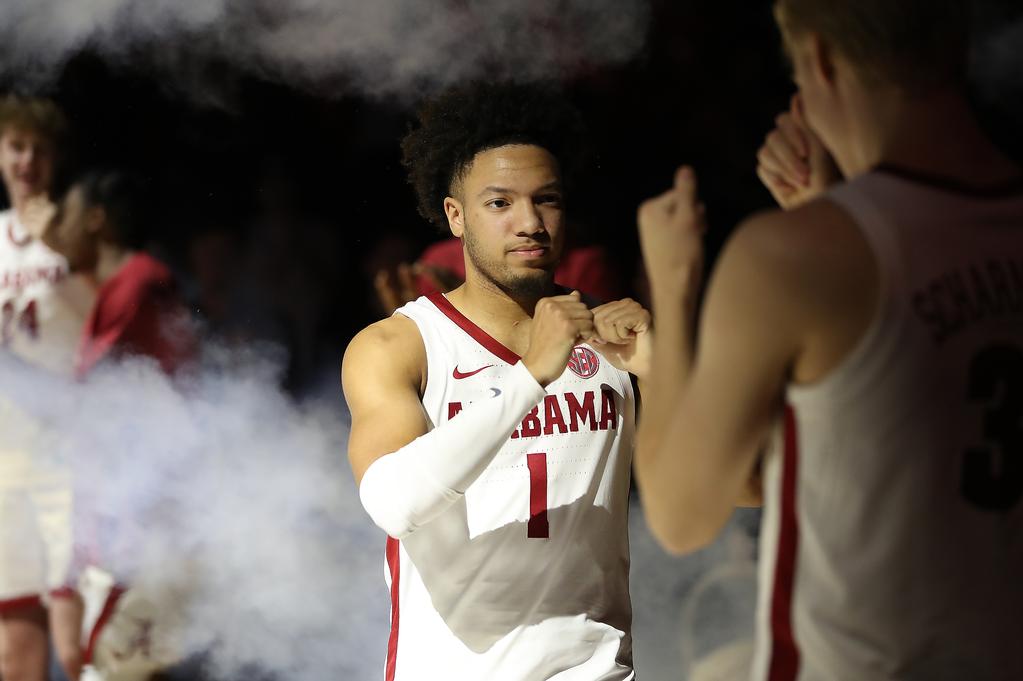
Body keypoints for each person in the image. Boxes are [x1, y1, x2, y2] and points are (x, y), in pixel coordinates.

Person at [634, 1, 1023, 679]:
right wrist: (834, 209)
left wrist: (671, 284)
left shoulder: (793, 260)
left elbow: (678, 514)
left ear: (817, 57)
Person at [342, 82, 650, 680]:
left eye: (548, 200)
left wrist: (666, 371)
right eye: (500, 203)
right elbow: (394, 504)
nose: (530, 223)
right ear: (454, 216)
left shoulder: (619, 340)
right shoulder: (398, 345)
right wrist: (531, 374)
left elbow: (728, 494)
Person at [36, 168, 196, 681]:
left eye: (69, 214)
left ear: (97, 220)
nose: (57, 228)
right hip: (124, 517)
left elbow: (87, 391)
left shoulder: (139, 280)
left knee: (124, 667)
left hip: (146, 521)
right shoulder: (124, 283)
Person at [0, 95, 94, 681]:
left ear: (56, 159)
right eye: (16, 146)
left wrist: (61, 241)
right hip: (5, 449)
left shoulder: (78, 228)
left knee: (78, 641)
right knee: (14, 644)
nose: (28, 159)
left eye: (40, 148)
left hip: (69, 447)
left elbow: (118, 300)